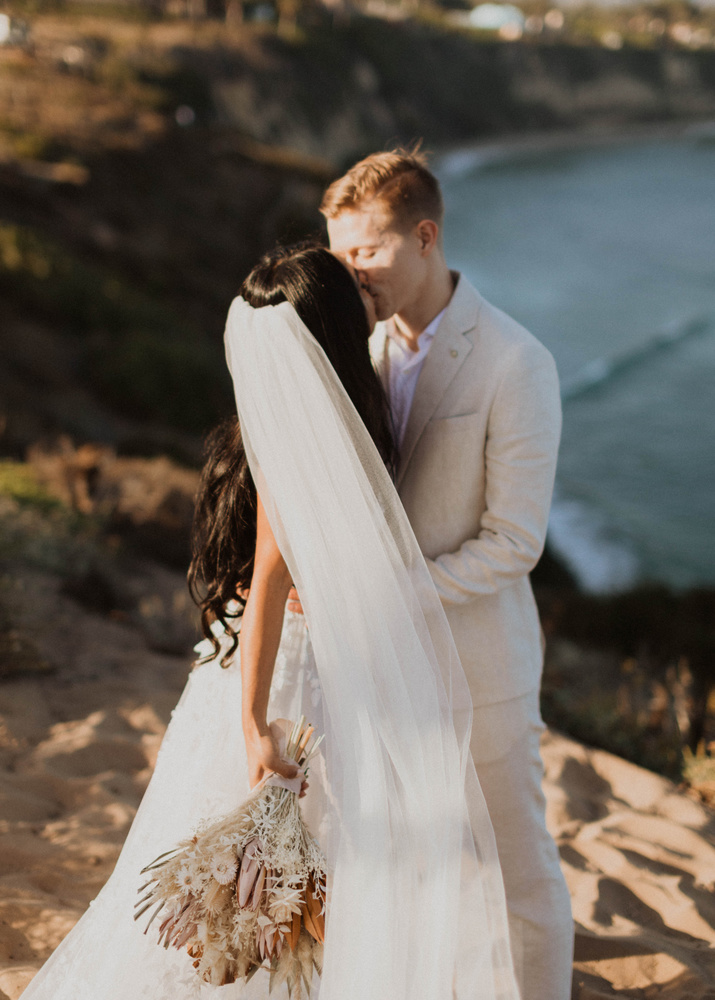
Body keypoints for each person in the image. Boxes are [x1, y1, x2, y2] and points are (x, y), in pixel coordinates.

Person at [19, 243, 519, 1000]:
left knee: (305, 865)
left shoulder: (323, 413)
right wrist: (254, 722)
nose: (366, 287)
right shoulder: (296, 441)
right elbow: (265, 590)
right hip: (286, 674)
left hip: (312, 661)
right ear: (333, 329)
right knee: (266, 869)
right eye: (351, 286)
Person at [317, 149, 574, 1000]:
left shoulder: (515, 362)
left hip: (482, 667)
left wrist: (391, 595)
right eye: (339, 254)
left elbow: (515, 542)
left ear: (423, 237)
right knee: (428, 862)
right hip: (392, 672)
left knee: (516, 866)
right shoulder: (363, 352)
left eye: (364, 253)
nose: (349, 274)